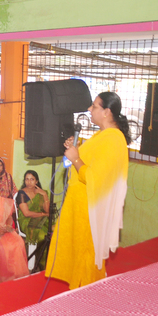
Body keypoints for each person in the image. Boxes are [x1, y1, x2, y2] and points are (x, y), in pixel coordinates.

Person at [45, 91, 130, 289]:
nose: (89, 109)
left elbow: (93, 177)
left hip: (90, 209)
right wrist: (74, 149)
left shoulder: (113, 139)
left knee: (86, 254)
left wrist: (76, 158)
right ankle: (78, 291)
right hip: (80, 204)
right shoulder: (102, 135)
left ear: (107, 112)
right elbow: (86, 163)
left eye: (94, 106)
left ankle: (87, 296)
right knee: (77, 251)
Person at [16, 170, 49, 246]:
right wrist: (43, 214)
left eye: (32, 179)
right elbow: (26, 213)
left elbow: (47, 210)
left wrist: (45, 195)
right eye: (27, 179)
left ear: (36, 181)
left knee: (55, 231)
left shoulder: (41, 193)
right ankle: (39, 253)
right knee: (43, 236)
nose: (29, 182)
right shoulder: (21, 193)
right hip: (27, 222)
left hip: (41, 219)